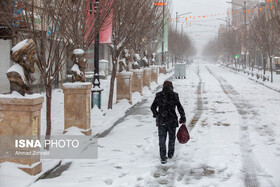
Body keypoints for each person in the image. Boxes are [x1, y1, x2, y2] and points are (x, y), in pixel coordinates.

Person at [151, 80, 186, 164]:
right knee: (171, 138)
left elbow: (153, 107)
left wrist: (156, 114)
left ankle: (163, 157)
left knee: (162, 139)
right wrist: (183, 117)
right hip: (172, 120)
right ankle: (170, 154)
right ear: (172, 87)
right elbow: (179, 107)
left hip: (162, 120)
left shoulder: (158, 95)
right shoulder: (175, 95)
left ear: (163, 86)